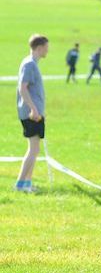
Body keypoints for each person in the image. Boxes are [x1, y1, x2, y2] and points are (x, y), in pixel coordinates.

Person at [14, 34, 48, 193]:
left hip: (35, 112)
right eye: (46, 47)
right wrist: (34, 109)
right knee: (33, 149)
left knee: (35, 149)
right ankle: (20, 183)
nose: (48, 50)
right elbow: (23, 88)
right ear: (40, 47)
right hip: (31, 113)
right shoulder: (29, 64)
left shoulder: (32, 63)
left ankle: (27, 184)